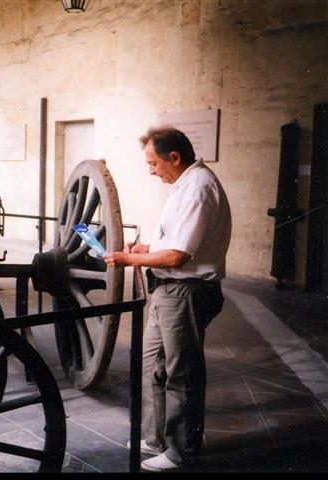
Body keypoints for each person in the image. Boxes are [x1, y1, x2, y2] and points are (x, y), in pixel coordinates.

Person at [103, 126, 231, 472]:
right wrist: (147, 249)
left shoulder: (199, 187)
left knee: (181, 373)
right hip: (168, 291)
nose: (151, 171)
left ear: (174, 157)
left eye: (153, 163)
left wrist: (129, 259)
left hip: (185, 292)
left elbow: (177, 256)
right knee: (153, 366)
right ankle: (157, 438)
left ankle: (181, 452)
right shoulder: (186, 184)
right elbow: (173, 244)